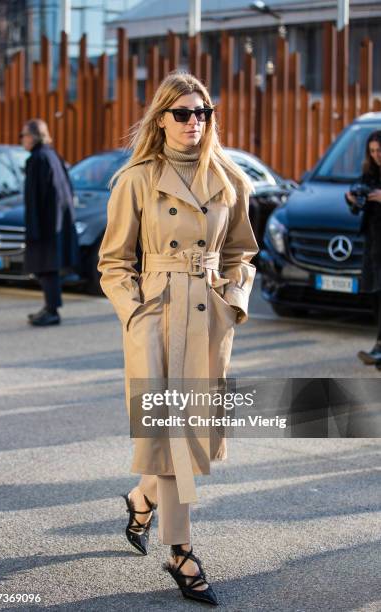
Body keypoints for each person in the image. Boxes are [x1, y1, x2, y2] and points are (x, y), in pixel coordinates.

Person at [97, 71, 259, 606]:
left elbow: (242, 253)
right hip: (158, 319)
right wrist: (135, 314)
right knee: (171, 438)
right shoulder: (136, 179)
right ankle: (180, 552)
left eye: (203, 113)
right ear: (161, 118)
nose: (196, 123)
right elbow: (114, 263)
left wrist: (234, 300)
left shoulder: (230, 179)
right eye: (184, 113)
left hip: (208, 317)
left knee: (189, 437)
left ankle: (141, 500)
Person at [21, 118, 80, 326]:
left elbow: (34, 198)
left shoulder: (37, 158)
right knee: (47, 268)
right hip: (56, 223)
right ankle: (49, 307)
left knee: (46, 267)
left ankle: (52, 311)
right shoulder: (52, 155)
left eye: (24, 135)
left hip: (45, 225)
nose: (22, 140)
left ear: (33, 136)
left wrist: (34, 229)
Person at [345, 130, 381, 366]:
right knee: (375, 295)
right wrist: (352, 200)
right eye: (373, 151)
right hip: (373, 245)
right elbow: (358, 209)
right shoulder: (369, 174)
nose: (377, 155)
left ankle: (379, 348)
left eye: (380, 150)